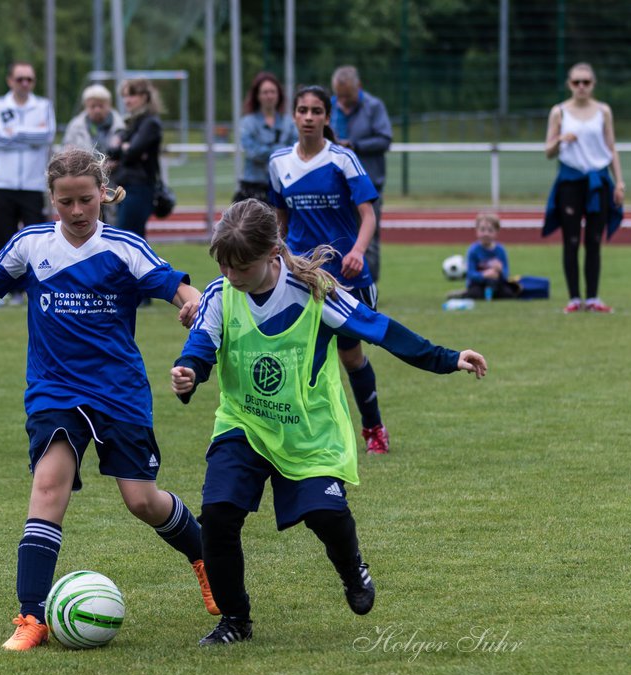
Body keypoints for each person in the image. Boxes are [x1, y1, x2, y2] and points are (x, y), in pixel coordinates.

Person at [0, 147, 215, 651]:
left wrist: (192, 309)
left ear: (103, 194)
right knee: (48, 488)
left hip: (118, 392)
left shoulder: (125, 247)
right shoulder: (29, 244)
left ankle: (204, 555)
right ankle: (31, 617)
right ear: (51, 200)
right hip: (54, 390)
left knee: (141, 500)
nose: (78, 211)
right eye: (66, 202)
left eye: (86, 200)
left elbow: (183, 291)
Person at [171, 199, 488, 645]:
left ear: (272, 256)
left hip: (309, 430)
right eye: (224, 265)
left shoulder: (316, 293)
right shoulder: (221, 294)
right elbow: (201, 345)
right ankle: (235, 621)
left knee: (325, 515)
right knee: (219, 515)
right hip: (244, 424)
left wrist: (448, 358)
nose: (231, 275)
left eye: (241, 266)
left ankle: (352, 568)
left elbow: (382, 329)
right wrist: (188, 374)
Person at [269, 85, 391, 455]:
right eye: (302, 110)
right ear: (293, 115)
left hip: (346, 276)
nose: (308, 117)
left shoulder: (343, 160)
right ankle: (298, 435)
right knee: (296, 353)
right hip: (302, 276)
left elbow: (368, 214)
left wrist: (358, 251)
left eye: (316, 111)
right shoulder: (278, 162)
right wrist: (278, 253)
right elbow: (280, 219)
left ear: (327, 117)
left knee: (350, 357)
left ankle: (373, 428)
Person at [543, 62, 625, 314]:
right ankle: (574, 298)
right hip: (570, 182)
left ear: (593, 84)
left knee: (593, 240)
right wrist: (559, 140)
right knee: (571, 240)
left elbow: (611, 148)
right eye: (576, 82)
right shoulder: (559, 112)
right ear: (569, 84)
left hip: (597, 181)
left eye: (586, 82)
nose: (581, 87)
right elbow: (548, 151)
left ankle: (592, 298)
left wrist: (619, 181)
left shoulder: (603, 111)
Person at [0, 61, 56, 266]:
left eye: (29, 79)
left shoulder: (44, 106)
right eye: (20, 79)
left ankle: (33, 283)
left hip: (33, 184)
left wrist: (16, 132)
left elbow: (46, 136)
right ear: (10, 81)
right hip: (2, 183)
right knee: (2, 238)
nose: (25, 83)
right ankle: (3, 289)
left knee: (36, 240)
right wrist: (31, 136)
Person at [330, 66, 392, 285]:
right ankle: (342, 286)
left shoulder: (373, 107)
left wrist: (354, 146)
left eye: (347, 96)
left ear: (359, 87)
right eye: (339, 95)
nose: (343, 101)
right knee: (337, 236)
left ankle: (369, 288)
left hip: (368, 184)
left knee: (369, 240)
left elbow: (385, 139)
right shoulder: (329, 107)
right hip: (336, 186)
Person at [62, 83, 125, 225]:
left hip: (114, 181)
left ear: (109, 105)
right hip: (82, 182)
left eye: (101, 106)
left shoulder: (120, 126)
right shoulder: (75, 126)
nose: (97, 110)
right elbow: (66, 152)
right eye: (92, 106)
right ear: (86, 106)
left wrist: (112, 165)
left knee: (113, 222)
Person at [108, 78, 163, 238]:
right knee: (130, 239)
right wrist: (125, 148)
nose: (127, 100)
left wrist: (125, 147)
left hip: (140, 187)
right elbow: (113, 150)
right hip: (125, 186)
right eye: (124, 96)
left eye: (132, 95)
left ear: (145, 96)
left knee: (127, 238)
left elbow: (132, 151)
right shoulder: (132, 122)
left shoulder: (150, 123)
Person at [235, 72, 296, 203]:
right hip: (253, 187)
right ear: (257, 95)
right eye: (265, 92)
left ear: (279, 94)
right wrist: (280, 150)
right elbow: (253, 152)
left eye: (273, 92)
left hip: (283, 186)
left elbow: (295, 151)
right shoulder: (247, 122)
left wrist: (268, 150)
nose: (269, 96)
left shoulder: (289, 122)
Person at [445, 212, 520, 300]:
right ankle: (464, 294)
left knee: (508, 294)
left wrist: (500, 271)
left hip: (496, 282)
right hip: (478, 283)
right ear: (477, 231)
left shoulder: (501, 250)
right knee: (475, 294)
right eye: (482, 230)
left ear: (496, 232)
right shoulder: (473, 250)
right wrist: (484, 275)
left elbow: (506, 274)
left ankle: (489, 294)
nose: (486, 234)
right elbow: (470, 274)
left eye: (490, 230)